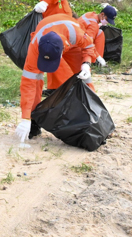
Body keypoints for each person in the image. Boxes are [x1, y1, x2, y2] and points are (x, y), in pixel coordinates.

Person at [16, 14, 96, 142]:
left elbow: (89, 46)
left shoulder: (76, 34)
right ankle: (34, 121)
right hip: (51, 36)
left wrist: (86, 63)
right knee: (35, 81)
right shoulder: (35, 47)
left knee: (83, 76)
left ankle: (94, 113)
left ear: (62, 51)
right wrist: (26, 117)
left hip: (72, 43)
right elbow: (28, 84)